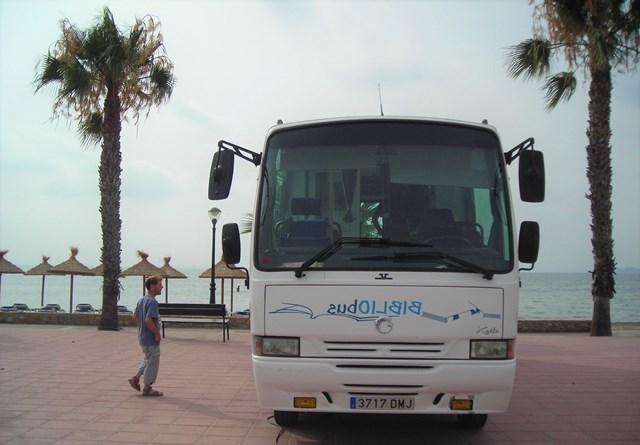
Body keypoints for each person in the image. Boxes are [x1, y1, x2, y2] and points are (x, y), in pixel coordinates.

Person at [128, 276, 164, 396]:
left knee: (148, 359)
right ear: (152, 287)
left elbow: (134, 317)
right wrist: (157, 333)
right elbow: (148, 320)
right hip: (150, 338)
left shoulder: (141, 300)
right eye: (159, 285)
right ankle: (147, 387)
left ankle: (136, 378)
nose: (162, 287)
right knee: (153, 361)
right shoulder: (153, 302)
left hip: (142, 337)